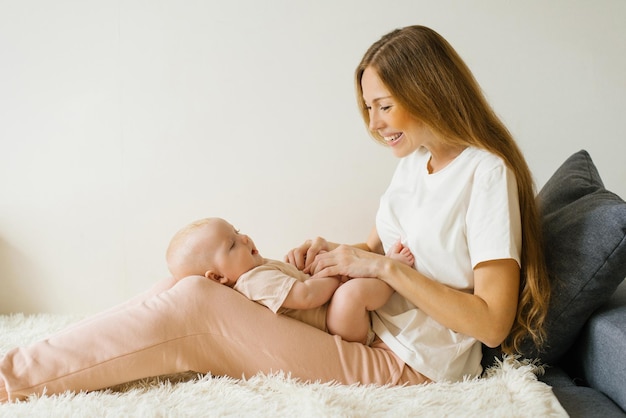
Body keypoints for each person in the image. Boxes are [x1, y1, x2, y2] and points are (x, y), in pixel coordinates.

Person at [0, 25, 550, 403]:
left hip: (409, 365)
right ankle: (20, 362)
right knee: (188, 281)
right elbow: (380, 248)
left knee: (195, 303)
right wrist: (334, 254)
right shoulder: (415, 164)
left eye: (385, 105)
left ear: (430, 90)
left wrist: (383, 271)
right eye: (369, 108)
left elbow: (492, 322)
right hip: (361, 323)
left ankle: (12, 380)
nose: (376, 123)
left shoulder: (486, 174)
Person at [165, 217, 414, 344]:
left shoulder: (257, 268)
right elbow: (306, 295)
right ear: (218, 277)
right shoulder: (253, 282)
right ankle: (392, 273)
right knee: (350, 294)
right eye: (231, 244)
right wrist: (335, 275)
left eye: (237, 232)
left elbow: (299, 282)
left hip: (335, 313)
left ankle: (382, 268)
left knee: (344, 283)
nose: (244, 239)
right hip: (335, 326)